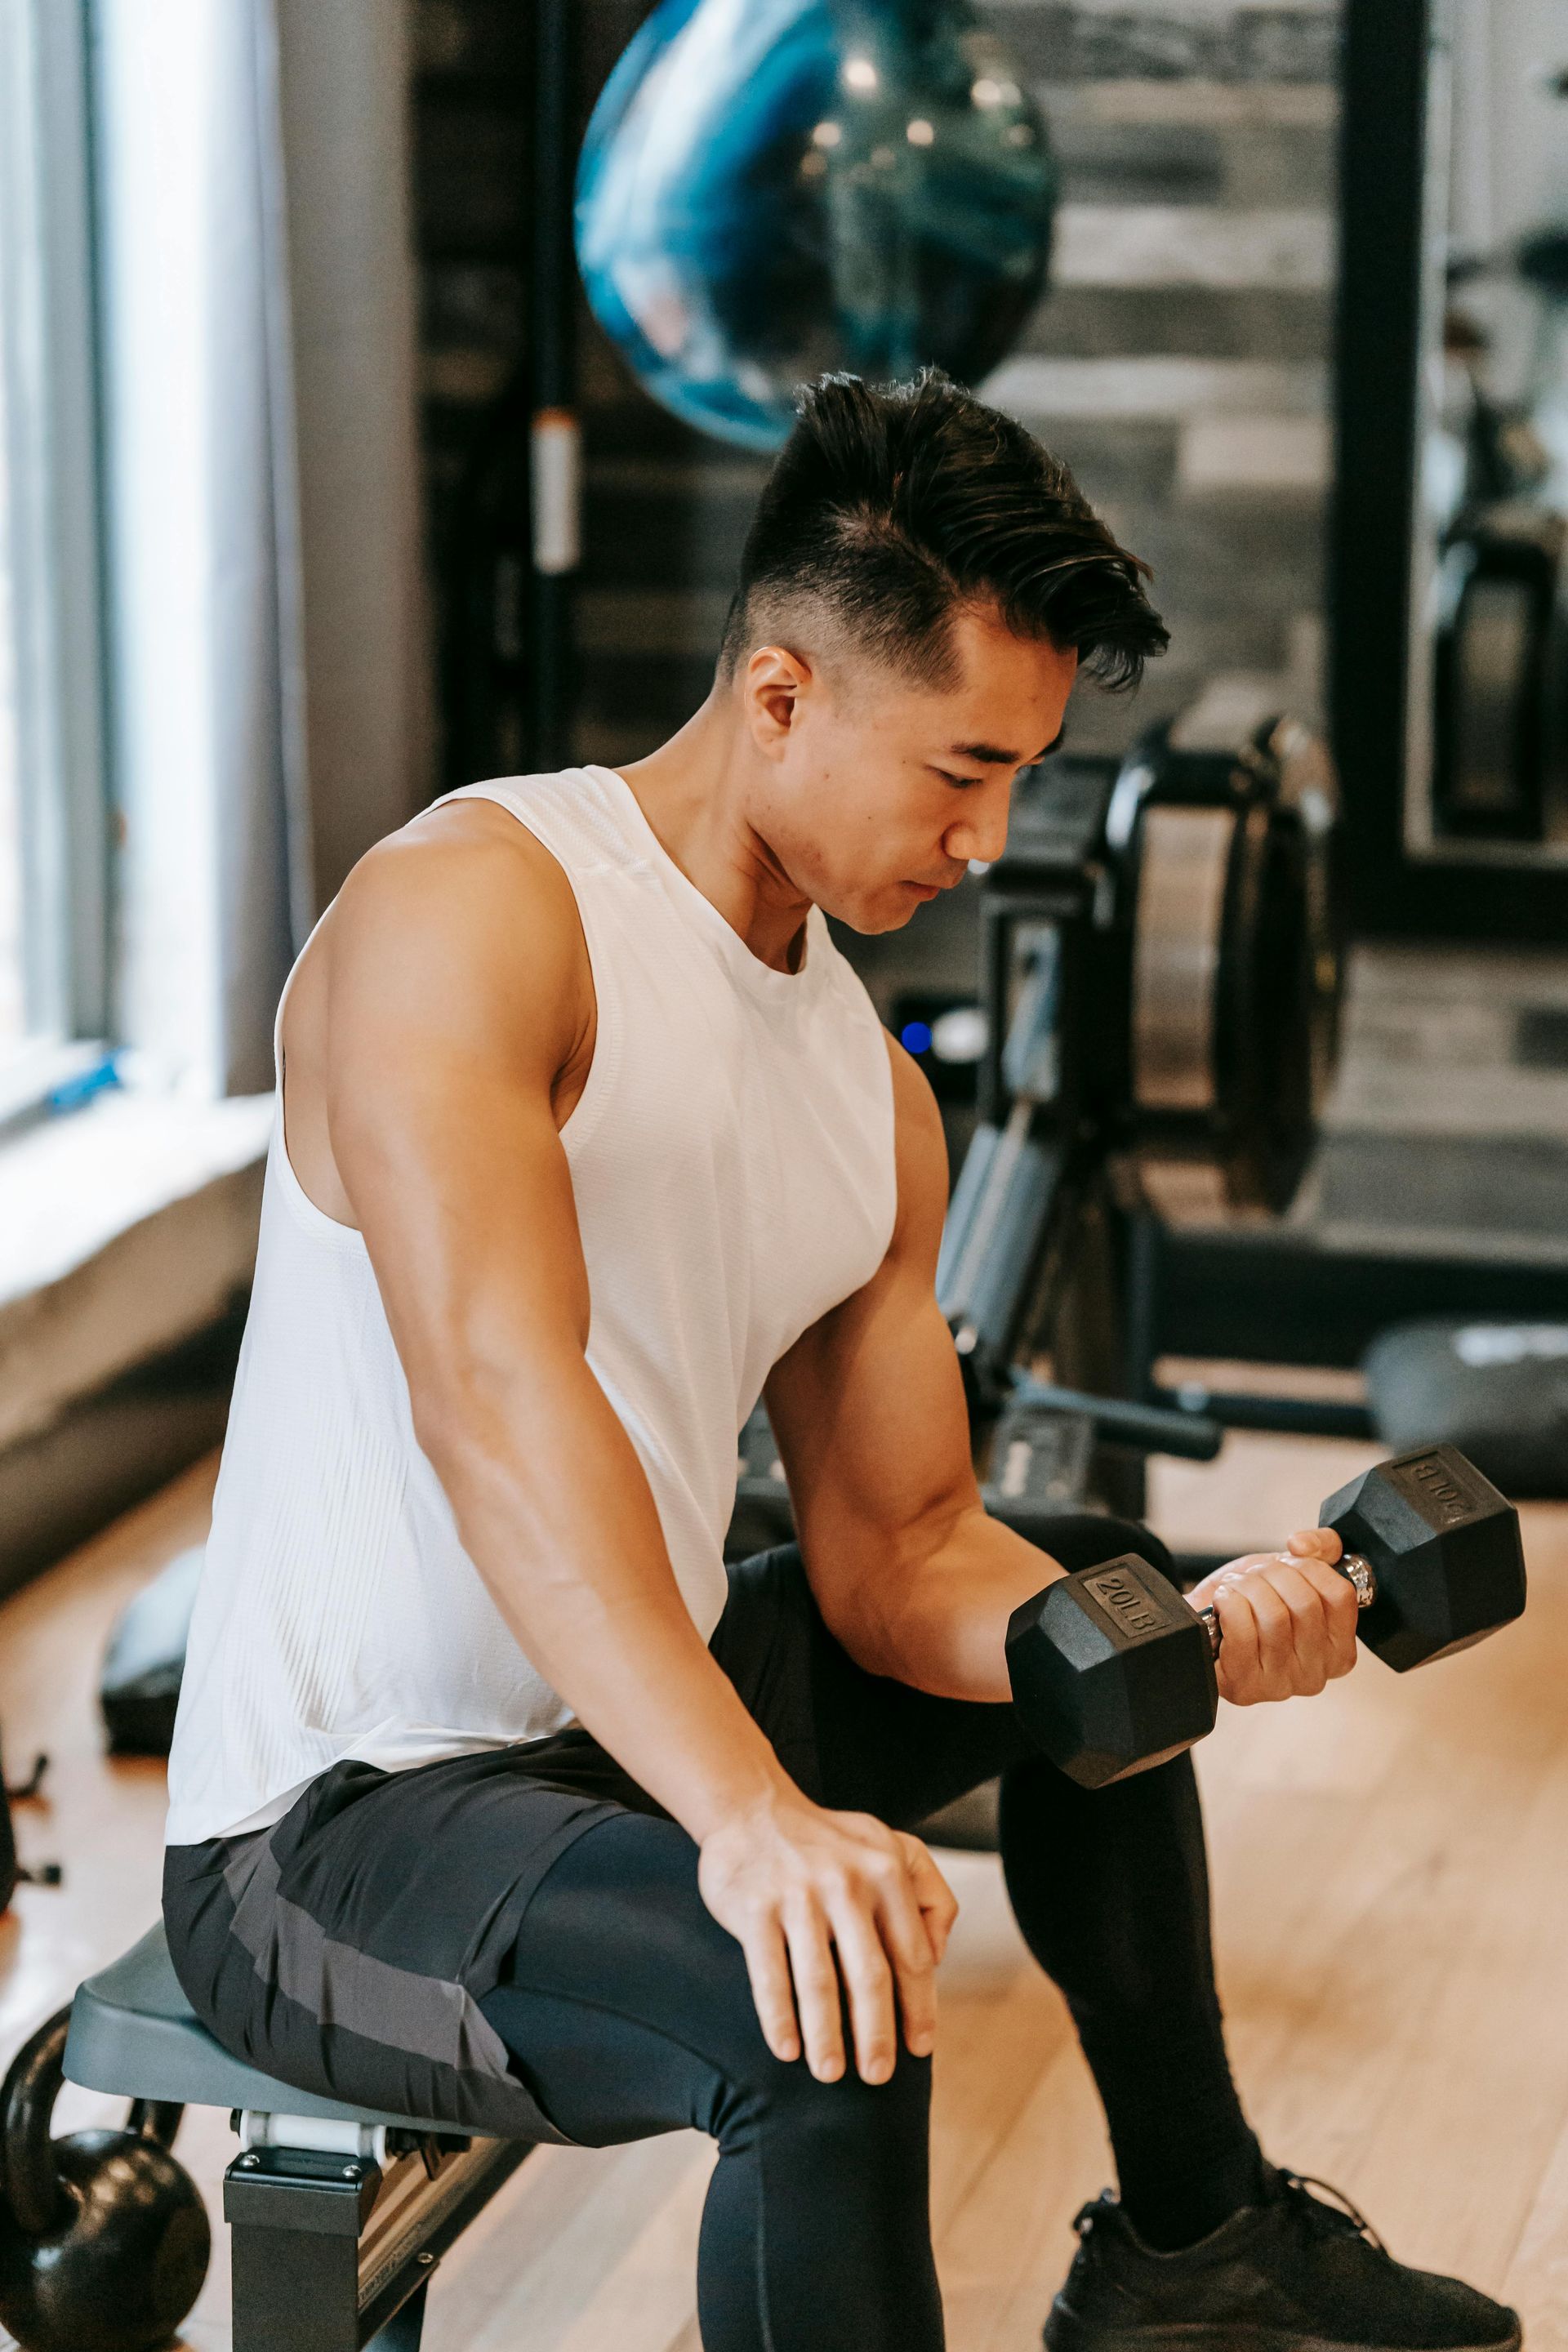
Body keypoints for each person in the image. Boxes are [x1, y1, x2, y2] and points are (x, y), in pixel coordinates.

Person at [162, 371, 1518, 2352]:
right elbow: (495, 1403)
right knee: (829, 1995)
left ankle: (1191, 2250)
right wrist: (750, 1820)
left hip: (630, 1717)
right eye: (962, 770)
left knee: (1093, 1596)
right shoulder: (471, 914)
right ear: (782, 694)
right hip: (343, 1819)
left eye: (1024, 782)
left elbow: (904, 1560)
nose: (988, 839)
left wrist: (1206, 1628)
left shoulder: (866, 1092)